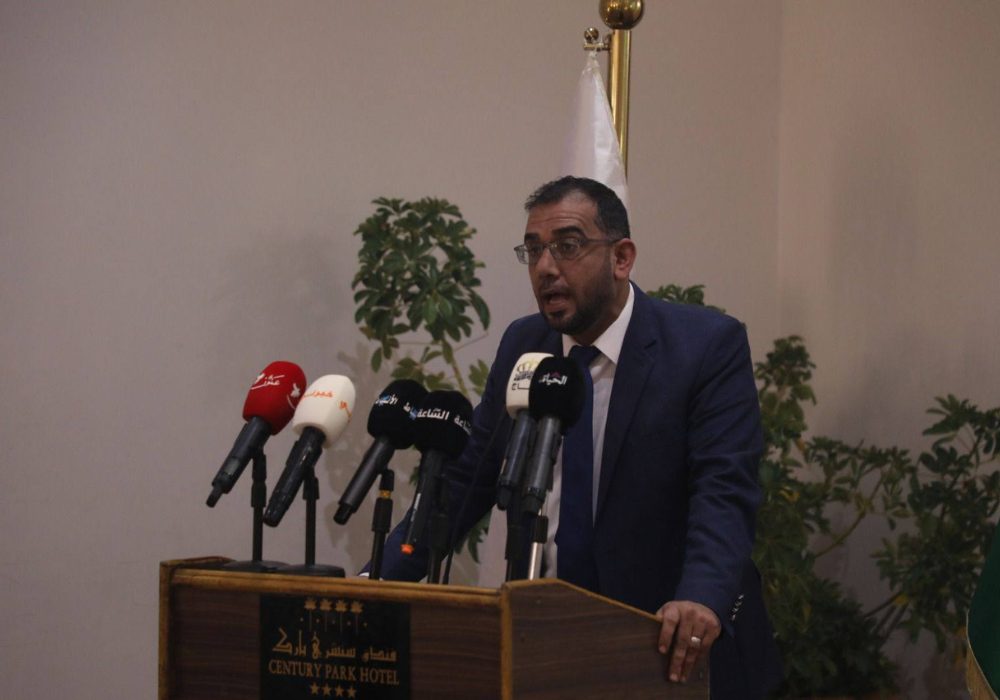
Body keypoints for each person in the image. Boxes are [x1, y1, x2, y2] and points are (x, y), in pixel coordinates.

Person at [377, 176, 782, 698]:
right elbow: (465, 479)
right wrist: (378, 583)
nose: (546, 267)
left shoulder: (704, 346)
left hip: (670, 649)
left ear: (621, 257)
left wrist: (700, 596)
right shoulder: (525, 345)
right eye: (533, 250)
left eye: (567, 246)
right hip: (553, 649)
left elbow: (723, 489)